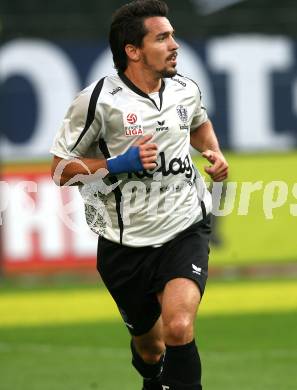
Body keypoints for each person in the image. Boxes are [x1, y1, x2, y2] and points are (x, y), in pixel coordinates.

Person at [50, 1, 228, 389]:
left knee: (179, 326)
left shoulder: (185, 89)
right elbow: (60, 170)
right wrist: (118, 164)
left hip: (184, 227)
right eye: (162, 37)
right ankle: (152, 378)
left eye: (173, 36)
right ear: (133, 50)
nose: (174, 45)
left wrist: (213, 153)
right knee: (151, 348)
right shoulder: (97, 101)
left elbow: (200, 124)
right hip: (124, 244)